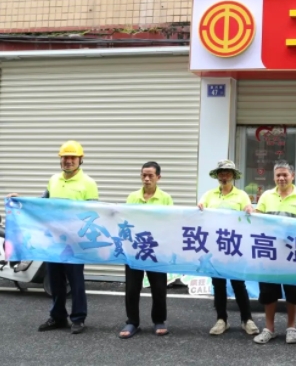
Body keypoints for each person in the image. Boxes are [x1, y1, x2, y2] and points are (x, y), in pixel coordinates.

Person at [7, 140, 98, 334]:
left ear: (80, 159)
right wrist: (19, 201)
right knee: (55, 280)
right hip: (53, 241)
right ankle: (58, 317)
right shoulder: (54, 180)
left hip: (74, 242)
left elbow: (93, 214)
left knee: (75, 281)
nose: (68, 161)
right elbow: (42, 202)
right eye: (65, 157)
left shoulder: (88, 183)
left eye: (72, 157)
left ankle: (78, 318)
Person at [253, 160, 296, 344]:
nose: (281, 178)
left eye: (285, 175)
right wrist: (251, 211)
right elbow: (257, 220)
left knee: (292, 292)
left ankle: (291, 328)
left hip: (292, 253)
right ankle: (269, 329)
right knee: (268, 291)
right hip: (269, 252)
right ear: (274, 177)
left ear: (292, 176)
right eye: (278, 175)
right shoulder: (266, 196)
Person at [197, 160, 259, 337]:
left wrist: (249, 209)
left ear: (233, 176)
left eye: (228, 173)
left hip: (234, 245)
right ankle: (221, 319)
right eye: (221, 173)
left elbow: (248, 211)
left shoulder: (241, 195)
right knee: (218, 284)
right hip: (214, 246)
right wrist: (199, 208)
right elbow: (200, 212)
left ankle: (247, 319)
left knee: (238, 283)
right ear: (217, 176)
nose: (224, 176)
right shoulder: (208, 195)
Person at [119, 161, 173, 339]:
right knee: (132, 287)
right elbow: (126, 220)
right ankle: (132, 321)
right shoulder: (132, 197)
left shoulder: (165, 198)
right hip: (135, 248)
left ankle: (159, 320)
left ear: (158, 177)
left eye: (150, 175)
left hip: (156, 249)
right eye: (144, 175)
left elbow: (170, 222)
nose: (147, 179)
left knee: (158, 287)